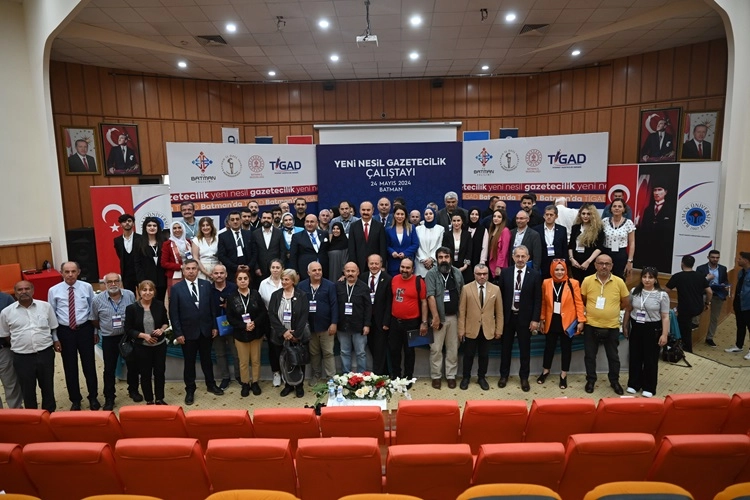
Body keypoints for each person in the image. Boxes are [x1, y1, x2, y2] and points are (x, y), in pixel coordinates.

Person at [169, 259, 224, 405]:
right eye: (188, 269)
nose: (191, 271)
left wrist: (214, 326)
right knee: (189, 363)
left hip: (206, 331)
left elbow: (212, 308)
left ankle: (211, 385)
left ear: (198, 270)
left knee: (207, 361)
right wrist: (178, 333)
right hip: (187, 333)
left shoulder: (206, 285)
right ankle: (190, 390)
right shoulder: (176, 289)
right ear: (183, 271)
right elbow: (174, 313)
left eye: (194, 268)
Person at [0, 281, 60, 412]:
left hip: (45, 353)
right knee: (27, 390)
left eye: (27, 289)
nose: (24, 292)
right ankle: (32, 417)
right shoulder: (6, 312)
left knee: (48, 387)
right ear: (15, 293)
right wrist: (22, 343)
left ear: (33, 290)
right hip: (22, 357)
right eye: (20, 290)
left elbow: (53, 326)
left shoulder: (45, 306)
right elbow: (6, 335)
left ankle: (49, 415)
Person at [48, 261, 99, 411]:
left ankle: (93, 397)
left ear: (78, 272)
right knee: (70, 367)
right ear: (61, 273)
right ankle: (75, 399)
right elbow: (52, 316)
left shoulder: (87, 287)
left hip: (85, 330)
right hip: (65, 332)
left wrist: (95, 332)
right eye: (67, 271)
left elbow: (93, 311)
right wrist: (55, 338)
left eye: (73, 271)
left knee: (89, 365)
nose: (70, 274)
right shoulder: (53, 290)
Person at [580, 253, 630, 395]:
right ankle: (591, 380)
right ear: (595, 265)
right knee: (590, 356)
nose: (604, 266)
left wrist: (610, 311)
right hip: (591, 325)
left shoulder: (619, 282)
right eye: (601, 263)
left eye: (607, 264)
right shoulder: (587, 281)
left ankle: (614, 381)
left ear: (612, 266)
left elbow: (625, 302)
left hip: (612, 325)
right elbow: (582, 300)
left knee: (613, 357)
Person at [91, 272, 140, 410]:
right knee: (109, 369)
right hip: (109, 338)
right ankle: (109, 398)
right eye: (109, 282)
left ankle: (133, 390)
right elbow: (94, 320)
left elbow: (135, 313)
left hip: (127, 336)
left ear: (120, 282)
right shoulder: (97, 300)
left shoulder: (129, 295)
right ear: (104, 284)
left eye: (116, 281)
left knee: (133, 365)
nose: (113, 284)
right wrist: (105, 328)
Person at [499, 246, 542, 392]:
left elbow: (538, 300)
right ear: (513, 257)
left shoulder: (534, 275)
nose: (520, 259)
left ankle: (524, 378)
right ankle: (503, 376)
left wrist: (535, 319)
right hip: (508, 317)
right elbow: (500, 297)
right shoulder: (505, 273)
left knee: (525, 350)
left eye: (523, 256)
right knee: (505, 349)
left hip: (525, 319)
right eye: (517, 256)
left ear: (528, 257)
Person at [623, 266, 670, 398]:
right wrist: (625, 326)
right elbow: (628, 310)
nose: (647, 280)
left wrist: (664, 334)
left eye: (650, 277)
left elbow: (665, 316)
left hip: (652, 328)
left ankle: (649, 386)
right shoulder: (634, 291)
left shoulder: (662, 295)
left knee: (650, 358)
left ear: (655, 279)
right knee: (635, 356)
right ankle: (634, 384)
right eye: (644, 277)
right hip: (636, 326)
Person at [538, 260, 585, 390]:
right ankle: (545, 371)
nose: (559, 272)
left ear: (566, 270)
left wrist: (581, 320)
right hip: (551, 321)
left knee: (566, 349)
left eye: (562, 269)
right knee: (549, 347)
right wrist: (542, 319)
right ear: (552, 270)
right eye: (557, 269)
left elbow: (579, 303)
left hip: (568, 322)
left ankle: (563, 374)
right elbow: (543, 302)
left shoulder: (573, 283)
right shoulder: (546, 283)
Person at [458, 264, 503, 390]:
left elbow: (499, 312)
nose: (482, 276)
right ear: (474, 275)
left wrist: (499, 329)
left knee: (484, 355)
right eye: (479, 274)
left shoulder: (495, 289)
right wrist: (461, 330)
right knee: (468, 355)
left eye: (484, 274)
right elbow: (462, 311)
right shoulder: (466, 288)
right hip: (470, 328)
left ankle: (481, 377)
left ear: (488, 274)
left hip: (488, 329)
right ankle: (466, 377)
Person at [225, 268, 267, 397]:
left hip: (256, 332)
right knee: (243, 362)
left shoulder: (255, 294)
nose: (243, 281)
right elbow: (230, 318)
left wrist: (254, 323)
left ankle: (255, 382)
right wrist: (244, 326)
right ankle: (245, 383)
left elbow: (263, 312)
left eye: (245, 278)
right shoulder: (231, 297)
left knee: (255, 360)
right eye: (240, 279)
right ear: (236, 281)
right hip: (240, 334)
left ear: (249, 280)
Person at [125, 280, 169, 405]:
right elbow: (128, 329)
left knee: (159, 373)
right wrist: (144, 336)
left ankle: (159, 398)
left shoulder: (159, 305)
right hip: (142, 346)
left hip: (159, 345)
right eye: (144, 290)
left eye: (150, 290)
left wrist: (161, 330)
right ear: (139, 292)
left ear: (154, 292)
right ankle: (149, 399)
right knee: (145, 374)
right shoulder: (132, 308)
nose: (147, 292)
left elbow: (165, 322)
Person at [426, 247, 464, 389]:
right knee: (436, 349)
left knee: (453, 349)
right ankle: (436, 376)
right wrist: (435, 317)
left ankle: (451, 376)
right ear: (437, 259)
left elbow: (462, 294)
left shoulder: (457, 273)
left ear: (451, 258)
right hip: (438, 319)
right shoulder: (431, 274)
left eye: (446, 257)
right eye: (440, 257)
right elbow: (430, 296)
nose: (443, 260)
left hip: (454, 317)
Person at [269, 269, 310, 397]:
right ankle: (288, 385)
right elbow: (272, 315)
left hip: (297, 336)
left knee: (298, 360)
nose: (283, 282)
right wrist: (284, 332)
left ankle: (299, 385)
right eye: (282, 279)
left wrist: (295, 334)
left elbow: (304, 316)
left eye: (286, 279)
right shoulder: (276, 295)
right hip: (280, 336)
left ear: (293, 280)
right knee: (284, 361)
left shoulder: (302, 295)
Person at [298, 261, 338, 384]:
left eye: (319, 270)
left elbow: (334, 305)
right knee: (314, 353)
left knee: (328, 353)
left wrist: (334, 323)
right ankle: (316, 375)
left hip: (326, 326)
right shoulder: (301, 286)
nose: (317, 272)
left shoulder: (330, 285)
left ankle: (331, 377)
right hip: (309, 327)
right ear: (308, 272)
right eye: (314, 270)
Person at [390, 258, 427, 381]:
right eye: (402, 267)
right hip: (395, 321)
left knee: (409, 352)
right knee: (394, 350)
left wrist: (424, 322)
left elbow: (424, 302)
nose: (404, 270)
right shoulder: (394, 279)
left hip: (412, 323)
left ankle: (408, 377)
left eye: (407, 268)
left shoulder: (418, 281)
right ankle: (396, 376)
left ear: (412, 269)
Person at [666, 255, 712, 353]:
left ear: (682, 263)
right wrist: (707, 303)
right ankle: (693, 326)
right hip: (698, 307)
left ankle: (687, 349)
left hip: (685, 308)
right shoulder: (700, 276)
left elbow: (666, 291)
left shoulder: (678, 276)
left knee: (684, 329)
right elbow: (709, 292)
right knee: (687, 323)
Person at [336, 262, 371, 372]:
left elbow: (368, 308)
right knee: (344, 352)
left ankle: (362, 377)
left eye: (353, 271)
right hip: (342, 325)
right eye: (348, 271)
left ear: (358, 272)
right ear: (344, 272)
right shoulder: (338, 286)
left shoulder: (364, 287)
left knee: (361, 353)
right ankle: (346, 376)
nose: (350, 273)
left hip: (359, 326)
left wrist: (367, 324)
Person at [635, 183, 676, 274]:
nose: (656, 193)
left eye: (659, 190)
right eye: (655, 190)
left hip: (663, 247)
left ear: (665, 192)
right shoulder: (648, 209)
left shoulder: (671, 209)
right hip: (648, 246)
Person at [211, 265, 239, 389]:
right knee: (220, 354)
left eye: (221, 273)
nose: (219, 275)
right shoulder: (208, 289)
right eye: (216, 273)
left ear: (226, 274)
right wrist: (213, 327)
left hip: (233, 326)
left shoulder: (234, 287)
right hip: (216, 327)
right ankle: (225, 377)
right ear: (212, 275)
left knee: (236, 353)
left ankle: (239, 376)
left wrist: (230, 306)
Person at [259, 259, 285, 387]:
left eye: (278, 267)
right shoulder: (264, 283)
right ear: (270, 269)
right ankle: (276, 373)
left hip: (286, 320)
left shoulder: (286, 281)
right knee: (273, 348)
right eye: (273, 267)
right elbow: (261, 304)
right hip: (270, 321)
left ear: (282, 269)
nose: (275, 269)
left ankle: (286, 372)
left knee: (286, 347)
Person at [697, 250, 730, 347]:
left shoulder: (723, 269)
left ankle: (709, 338)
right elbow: (697, 283)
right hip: (704, 294)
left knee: (714, 318)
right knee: (697, 313)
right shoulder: (701, 268)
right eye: (713, 257)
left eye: (717, 257)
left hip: (717, 295)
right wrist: (707, 279)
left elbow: (725, 281)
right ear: (708, 257)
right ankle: (693, 331)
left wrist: (725, 285)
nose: (715, 259)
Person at [366, 254, 392, 376]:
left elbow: (389, 302)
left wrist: (386, 322)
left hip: (381, 321)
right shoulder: (362, 277)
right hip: (367, 320)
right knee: (371, 346)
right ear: (368, 264)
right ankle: (384, 373)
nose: (374, 266)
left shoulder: (387, 279)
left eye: (376, 263)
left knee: (380, 349)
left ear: (381, 264)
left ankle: (379, 375)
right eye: (371, 263)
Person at [348, 201, 387, 280]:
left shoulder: (379, 226)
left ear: (373, 210)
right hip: (359, 264)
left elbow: (382, 247)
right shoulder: (353, 226)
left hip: (375, 265)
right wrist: (353, 265)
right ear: (360, 210)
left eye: (368, 210)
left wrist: (382, 265)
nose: (365, 212)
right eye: (363, 210)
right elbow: (351, 248)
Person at [568, 203, 604, 284]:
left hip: (590, 263)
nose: (585, 216)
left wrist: (588, 262)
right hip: (575, 263)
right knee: (577, 285)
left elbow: (599, 247)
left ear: (593, 215)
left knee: (589, 284)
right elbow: (571, 245)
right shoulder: (575, 227)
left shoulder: (598, 229)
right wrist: (572, 259)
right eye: (583, 213)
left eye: (588, 214)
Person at [134, 217, 168, 300]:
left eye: (154, 225)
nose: (152, 228)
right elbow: (137, 263)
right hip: (146, 279)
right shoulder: (138, 242)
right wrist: (141, 280)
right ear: (145, 228)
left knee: (160, 301)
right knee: (148, 302)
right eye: (149, 225)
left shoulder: (164, 241)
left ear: (158, 227)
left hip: (162, 279)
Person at [601, 199, 635, 279]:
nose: (617, 208)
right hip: (606, 253)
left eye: (619, 206)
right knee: (604, 277)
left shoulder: (629, 223)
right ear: (611, 208)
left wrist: (630, 261)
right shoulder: (604, 221)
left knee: (619, 278)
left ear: (623, 209)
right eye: (614, 206)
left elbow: (632, 243)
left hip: (620, 254)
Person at [217, 211, 255, 282]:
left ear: (241, 220)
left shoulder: (249, 234)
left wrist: (249, 266)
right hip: (231, 272)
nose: (235, 221)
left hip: (248, 271)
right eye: (232, 220)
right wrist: (235, 267)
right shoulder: (223, 236)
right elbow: (221, 255)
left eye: (237, 219)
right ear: (229, 222)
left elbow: (255, 252)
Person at [290, 214, 330, 281]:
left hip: (323, 270)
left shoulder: (324, 234)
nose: (309, 224)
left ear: (317, 223)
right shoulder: (297, 237)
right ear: (304, 223)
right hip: (304, 271)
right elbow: (293, 256)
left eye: (312, 222)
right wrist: (296, 272)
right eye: (307, 221)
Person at [0, 290, 22, 409]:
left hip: (3, 349)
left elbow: (16, 319)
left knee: (11, 384)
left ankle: (16, 414)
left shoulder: (6, 298)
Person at [533, 205, 568, 279]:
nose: (548, 217)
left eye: (551, 215)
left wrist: (564, 263)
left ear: (556, 216)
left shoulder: (562, 229)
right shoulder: (536, 230)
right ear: (544, 216)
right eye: (547, 214)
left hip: (557, 263)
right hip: (542, 263)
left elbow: (564, 248)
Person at [727, 252, 750, 359]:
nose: (737, 260)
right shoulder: (741, 272)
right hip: (739, 303)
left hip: (748, 304)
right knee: (740, 325)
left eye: (740, 259)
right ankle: (738, 346)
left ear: (746, 260)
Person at [252, 211, 286, 284]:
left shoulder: (279, 233)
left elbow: (283, 251)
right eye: (264, 218)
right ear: (261, 219)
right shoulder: (255, 233)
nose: (266, 220)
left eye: (268, 218)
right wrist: (256, 267)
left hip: (276, 270)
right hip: (260, 270)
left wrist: (280, 267)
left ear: (272, 220)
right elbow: (253, 252)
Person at [385, 205, 420, 276]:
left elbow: (415, 244)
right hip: (393, 264)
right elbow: (386, 245)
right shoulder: (388, 229)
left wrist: (405, 253)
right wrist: (392, 252)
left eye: (402, 214)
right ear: (394, 215)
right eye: (398, 214)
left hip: (408, 264)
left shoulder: (411, 228)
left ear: (405, 216)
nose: (400, 216)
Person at [114, 213, 142, 293]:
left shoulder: (141, 238)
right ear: (120, 225)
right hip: (126, 274)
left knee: (143, 295)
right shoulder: (117, 240)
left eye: (129, 221)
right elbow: (120, 255)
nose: (127, 223)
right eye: (124, 221)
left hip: (140, 272)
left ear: (133, 223)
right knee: (129, 295)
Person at [442, 213, 473, 284]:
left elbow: (469, 251)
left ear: (462, 221)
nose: (456, 223)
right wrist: (450, 266)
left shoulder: (467, 235)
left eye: (458, 220)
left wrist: (465, 266)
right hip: (450, 267)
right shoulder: (446, 235)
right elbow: (444, 251)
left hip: (465, 267)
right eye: (454, 221)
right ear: (451, 222)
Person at [161, 221, 191, 291]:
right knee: (175, 295)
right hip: (174, 274)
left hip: (189, 273)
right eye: (174, 228)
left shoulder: (188, 242)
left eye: (179, 228)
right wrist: (180, 266)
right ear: (171, 230)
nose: (177, 230)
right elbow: (164, 263)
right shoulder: (167, 244)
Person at [415, 207, 445, 277]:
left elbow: (439, 245)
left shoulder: (440, 229)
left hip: (434, 263)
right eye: (426, 214)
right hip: (421, 264)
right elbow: (417, 246)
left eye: (430, 214)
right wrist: (424, 260)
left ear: (434, 215)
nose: (428, 216)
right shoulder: (418, 229)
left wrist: (432, 259)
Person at [191, 217, 220, 281]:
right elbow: (195, 258)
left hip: (217, 269)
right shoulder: (196, 240)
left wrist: (218, 270)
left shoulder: (218, 238)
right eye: (203, 226)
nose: (205, 227)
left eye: (207, 225)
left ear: (211, 226)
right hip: (202, 269)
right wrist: (205, 272)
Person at [488, 209, 511, 280]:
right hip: (491, 262)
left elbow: (504, 251)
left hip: (499, 265)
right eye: (494, 216)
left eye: (499, 217)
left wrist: (499, 266)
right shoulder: (491, 230)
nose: (496, 218)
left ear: (503, 219)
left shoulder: (505, 231)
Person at [466, 207, 489, 281]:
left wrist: (482, 263)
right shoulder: (464, 228)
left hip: (477, 260)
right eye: (472, 214)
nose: (474, 216)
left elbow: (484, 247)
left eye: (476, 214)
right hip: (465, 261)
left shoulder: (483, 230)